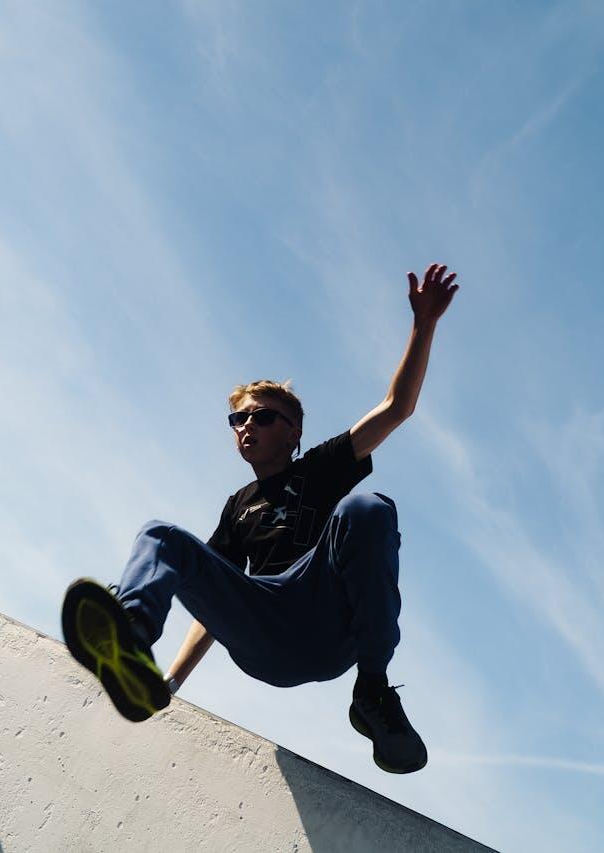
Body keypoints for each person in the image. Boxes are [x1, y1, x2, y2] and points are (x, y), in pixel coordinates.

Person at [61, 263, 459, 774]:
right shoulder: (238, 504)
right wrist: (173, 683)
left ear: (294, 433)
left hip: (325, 617)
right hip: (264, 628)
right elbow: (209, 607)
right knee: (162, 538)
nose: (248, 425)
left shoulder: (320, 466)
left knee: (368, 507)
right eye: (240, 418)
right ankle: (133, 639)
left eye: (263, 416)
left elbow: (396, 407)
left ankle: (374, 691)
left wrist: (423, 325)